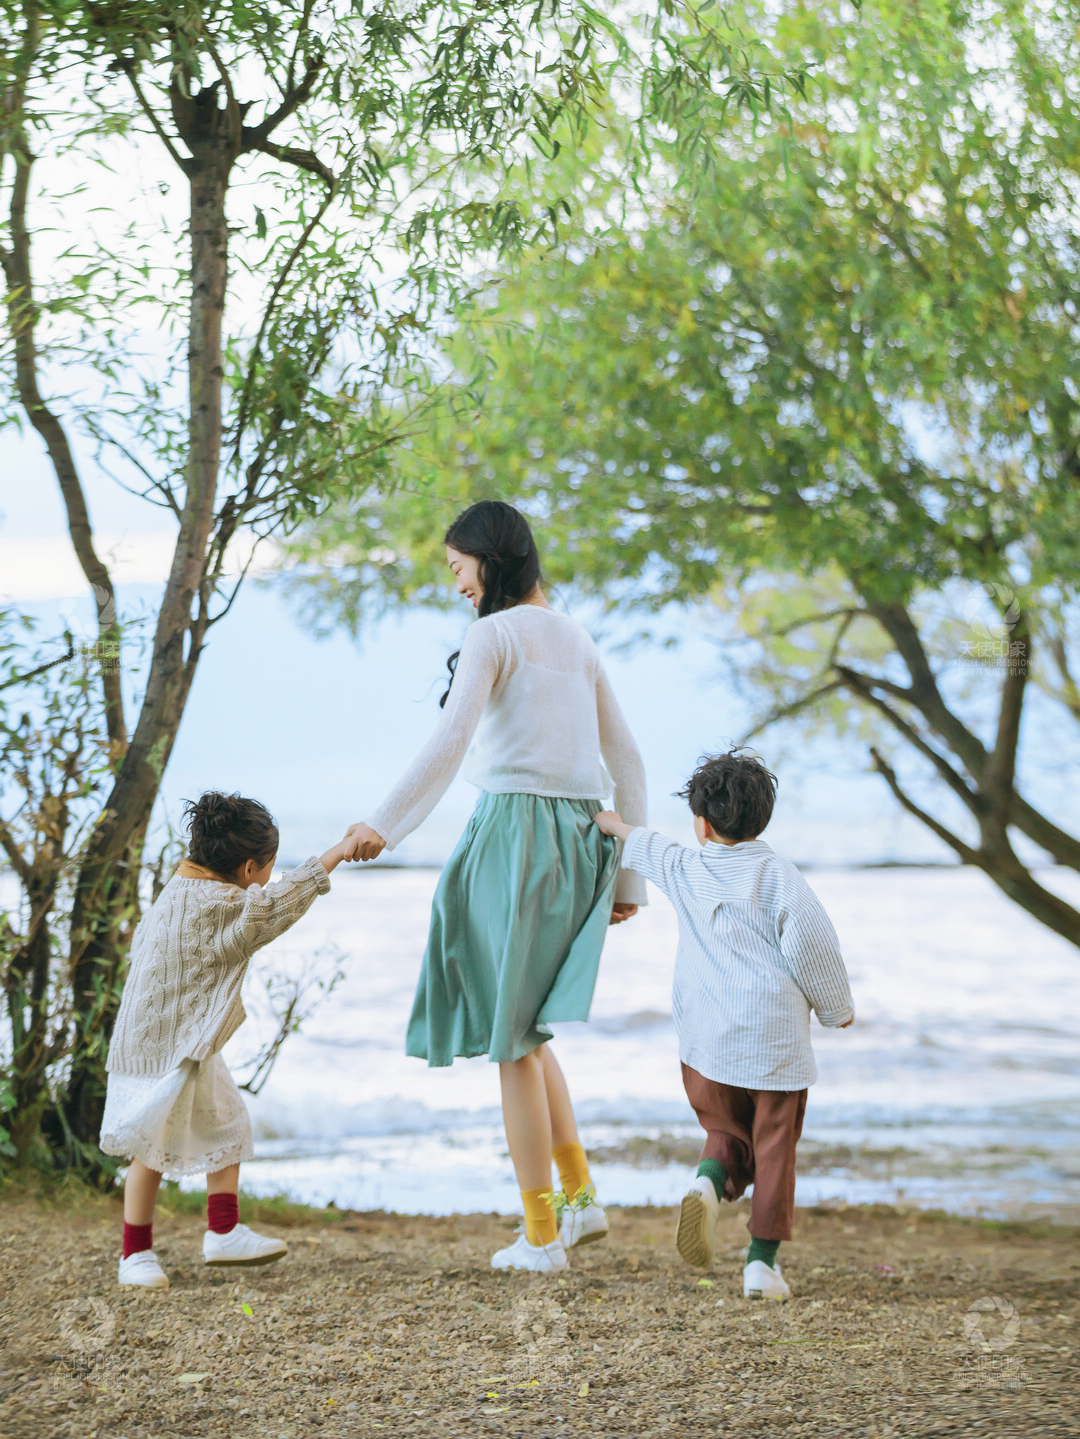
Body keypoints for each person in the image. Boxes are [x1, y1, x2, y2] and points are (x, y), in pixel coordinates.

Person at [345, 500, 647, 1273]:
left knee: (512, 1043)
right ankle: (579, 1200)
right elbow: (629, 763)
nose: (457, 585)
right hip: (582, 841)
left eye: (458, 568)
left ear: (489, 556)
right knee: (528, 1030)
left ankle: (541, 1236)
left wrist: (380, 824)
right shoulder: (577, 637)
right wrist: (629, 878)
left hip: (515, 836)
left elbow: (450, 740)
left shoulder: (495, 634)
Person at [595, 748, 853, 1300]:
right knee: (774, 1147)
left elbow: (640, 840)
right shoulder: (778, 874)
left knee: (725, 1132)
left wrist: (608, 821)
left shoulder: (685, 866)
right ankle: (761, 1266)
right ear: (763, 818)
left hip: (709, 1044)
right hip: (774, 1045)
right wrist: (837, 1010)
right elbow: (812, 943)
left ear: (702, 824)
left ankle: (708, 1184)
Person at [100, 791, 354, 1289]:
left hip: (176, 1038)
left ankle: (223, 1232)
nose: (268, 879)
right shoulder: (218, 906)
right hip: (167, 1048)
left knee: (228, 1126)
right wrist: (337, 852)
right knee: (150, 1149)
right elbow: (274, 908)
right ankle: (135, 1255)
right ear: (249, 868)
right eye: (267, 868)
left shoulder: (181, 887)